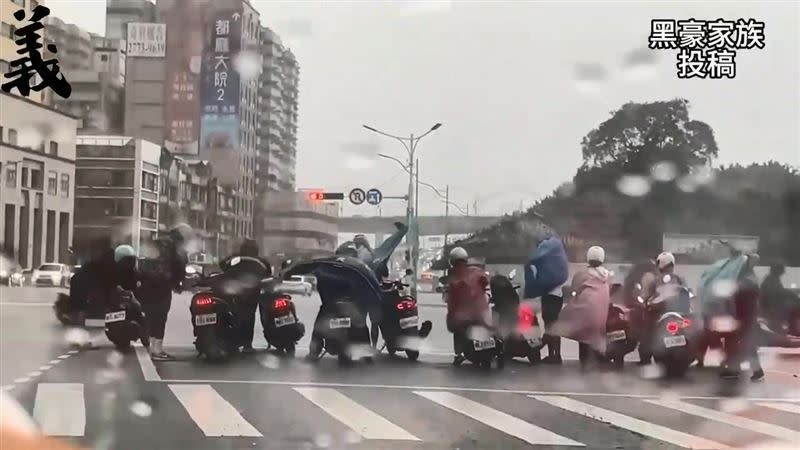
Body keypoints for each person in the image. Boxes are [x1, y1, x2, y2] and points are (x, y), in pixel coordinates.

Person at [137, 225, 191, 360]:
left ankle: (152, 346)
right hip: (162, 284)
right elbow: (179, 266)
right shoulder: (177, 246)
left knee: (151, 314)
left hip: (147, 284)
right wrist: (179, 285)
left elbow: (144, 261)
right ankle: (158, 350)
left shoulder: (158, 241)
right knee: (161, 316)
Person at [553, 246, 612, 370]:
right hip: (602, 313)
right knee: (599, 333)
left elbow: (574, 291)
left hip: (585, 313)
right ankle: (600, 358)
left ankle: (585, 362)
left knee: (581, 330)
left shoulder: (582, 274)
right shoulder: (607, 275)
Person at [523, 236, 569, 364]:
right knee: (553, 325)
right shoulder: (552, 260)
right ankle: (555, 355)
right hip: (558, 295)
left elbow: (532, 282)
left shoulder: (538, 261)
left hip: (550, 296)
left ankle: (551, 354)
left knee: (550, 326)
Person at [721, 254, 764, 381]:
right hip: (745, 316)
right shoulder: (749, 277)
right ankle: (751, 370)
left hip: (744, 316)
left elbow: (738, 296)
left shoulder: (747, 279)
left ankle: (738, 370)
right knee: (742, 343)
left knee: (736, 342)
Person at [444, 247, 490, 366]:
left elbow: (451, 298)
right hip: (479, 311)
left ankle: (458, 354)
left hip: (463, 313)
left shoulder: (454, 274)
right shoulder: (475, 271)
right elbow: (485, 281)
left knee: (456, 327)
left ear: (452, 260)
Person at [234, 238, 273, 353]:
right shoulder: (262, 262)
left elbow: (223, 266)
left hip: (236, 293)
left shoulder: (236, 259)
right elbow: (268, 274)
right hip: (253, 294)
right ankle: (247, 345)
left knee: (235, 316)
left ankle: (235, 342)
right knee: (249, 318)